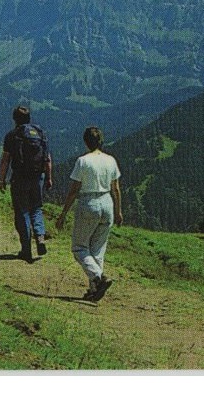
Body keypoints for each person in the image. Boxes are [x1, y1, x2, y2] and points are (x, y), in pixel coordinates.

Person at [58, 126, 123, 302]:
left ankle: (98, 278)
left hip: (89, 203)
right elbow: (115, 189)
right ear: (101, 141)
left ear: (86, 142)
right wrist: (118, 211)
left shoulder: (83, 161)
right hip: (107, 202)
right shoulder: (111, 160)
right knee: (97, 250)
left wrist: (64, 213)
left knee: (79, 247)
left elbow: (74, 190)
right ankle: (94, 290)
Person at [0, 105, 53, 262]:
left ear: (15, 119)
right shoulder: (40, 133)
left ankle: (26, 249)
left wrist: (1, 179)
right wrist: (48, 177)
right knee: (36, 208)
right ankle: (40, 237)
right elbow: (47, 159)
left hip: (20, 178)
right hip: (37, 177)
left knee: (22, 211)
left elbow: (5, 160)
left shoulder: (12, 135)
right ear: (29, 118)